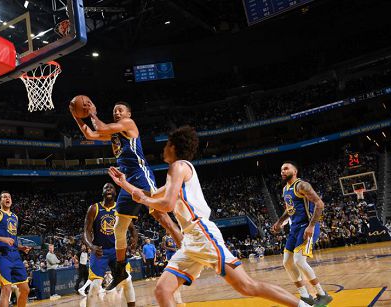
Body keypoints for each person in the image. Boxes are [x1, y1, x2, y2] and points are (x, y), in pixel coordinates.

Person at [108, 126, 315, 307]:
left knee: (247, 286)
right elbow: (152, 195)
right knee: (162, 290)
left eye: (166, 145)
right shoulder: (177, 172)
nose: (163, 149)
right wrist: (124, 184)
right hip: (190, 241)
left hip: (202, 234)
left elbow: (165, 204)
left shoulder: (178, 166)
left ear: (173, 147)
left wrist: (144, 200)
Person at [70, 97, 183, 290]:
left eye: (120, 110)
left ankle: (185, 248)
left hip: (141, 174)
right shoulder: (114, 134)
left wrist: (92, 113)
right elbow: (90, 134)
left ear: (128, 114)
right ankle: (120, 270)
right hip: (125, 181)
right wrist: (76, 117)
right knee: (119, 229)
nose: (117, 112)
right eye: (115, 110)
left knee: (159, 214)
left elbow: (102, 128)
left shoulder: (128, 124)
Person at [271, 161, 333, 306]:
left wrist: (311, 226)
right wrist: (280, 222)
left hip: (307, 226)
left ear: (295, 171)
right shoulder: (285, 189)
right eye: (281, 169)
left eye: (286, 168)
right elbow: (290, 210)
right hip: (295, 228)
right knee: (287, 262)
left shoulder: (302, 185)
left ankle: (322, 295)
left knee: (299, 261)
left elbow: (320, 204)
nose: (283, 171)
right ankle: (305, 296)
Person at [83, 183, 137, 307]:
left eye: (111, 188)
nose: (108, 189)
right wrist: (91, 246)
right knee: (95, 286)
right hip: (99, 251)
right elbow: (86, 231)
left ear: (115, 193)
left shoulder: (120, 208)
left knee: (127, 280)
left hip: (117, 250)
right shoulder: (94, 208)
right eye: (106, 188)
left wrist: (134, 239)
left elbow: (133, 229)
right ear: (102, 192)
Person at [0, 191, 31, 307]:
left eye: (9, 197)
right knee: (6, 290)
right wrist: (2, 239)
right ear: (0, 201)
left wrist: (20, 247)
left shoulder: (15, 217)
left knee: (25, 289)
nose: (7, 198)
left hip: (15, 255)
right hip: (1, 255)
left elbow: (12, 238)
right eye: (4, 197)